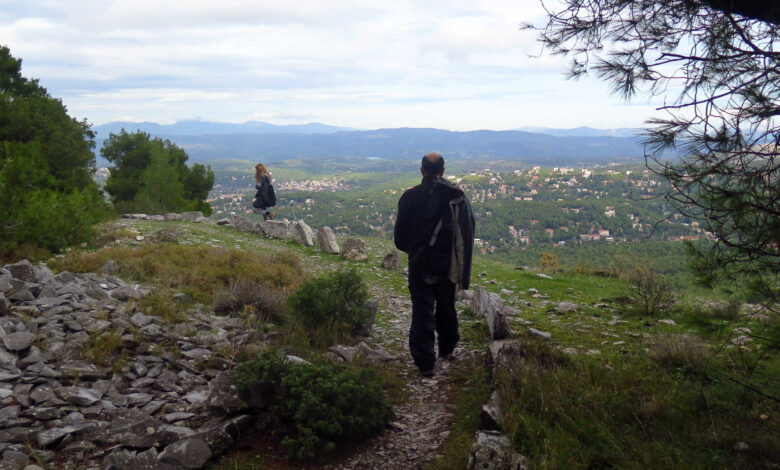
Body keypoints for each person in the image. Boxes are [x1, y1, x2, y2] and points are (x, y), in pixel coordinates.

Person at [394, 152, 475, 377]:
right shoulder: (457, 197)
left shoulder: (410, 197)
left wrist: (416, 251)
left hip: (419, 263)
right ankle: (447, 349)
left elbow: (399, 238)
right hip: (448, 264)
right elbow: (467, 234)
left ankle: (425, 362)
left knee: (422, 309)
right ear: (442, 171)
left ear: (421, 170)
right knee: (447, 305)